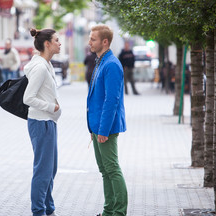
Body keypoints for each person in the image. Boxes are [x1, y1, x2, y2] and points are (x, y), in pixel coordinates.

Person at [87, 24, 128, 216]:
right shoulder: (100, 61)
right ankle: (108, 211)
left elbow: (112, 100)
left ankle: (118, 212)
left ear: (105, 41)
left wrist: (103, 130)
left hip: (106, 127)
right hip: (97, 125)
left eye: (93, 39)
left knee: (112, 169)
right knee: (105, 170)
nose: (89, 42)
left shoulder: (111, 64)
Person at [23, 28, 61, 216]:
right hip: (41, 122)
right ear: (47, 44)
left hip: (48, 122)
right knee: (43, 171)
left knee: (51, 170)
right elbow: (28, 98)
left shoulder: (46, 64)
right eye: (56, 40)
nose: (59, 43)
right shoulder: (39, 67)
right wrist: (50, 106)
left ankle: (48, 207)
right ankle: (39, 211)